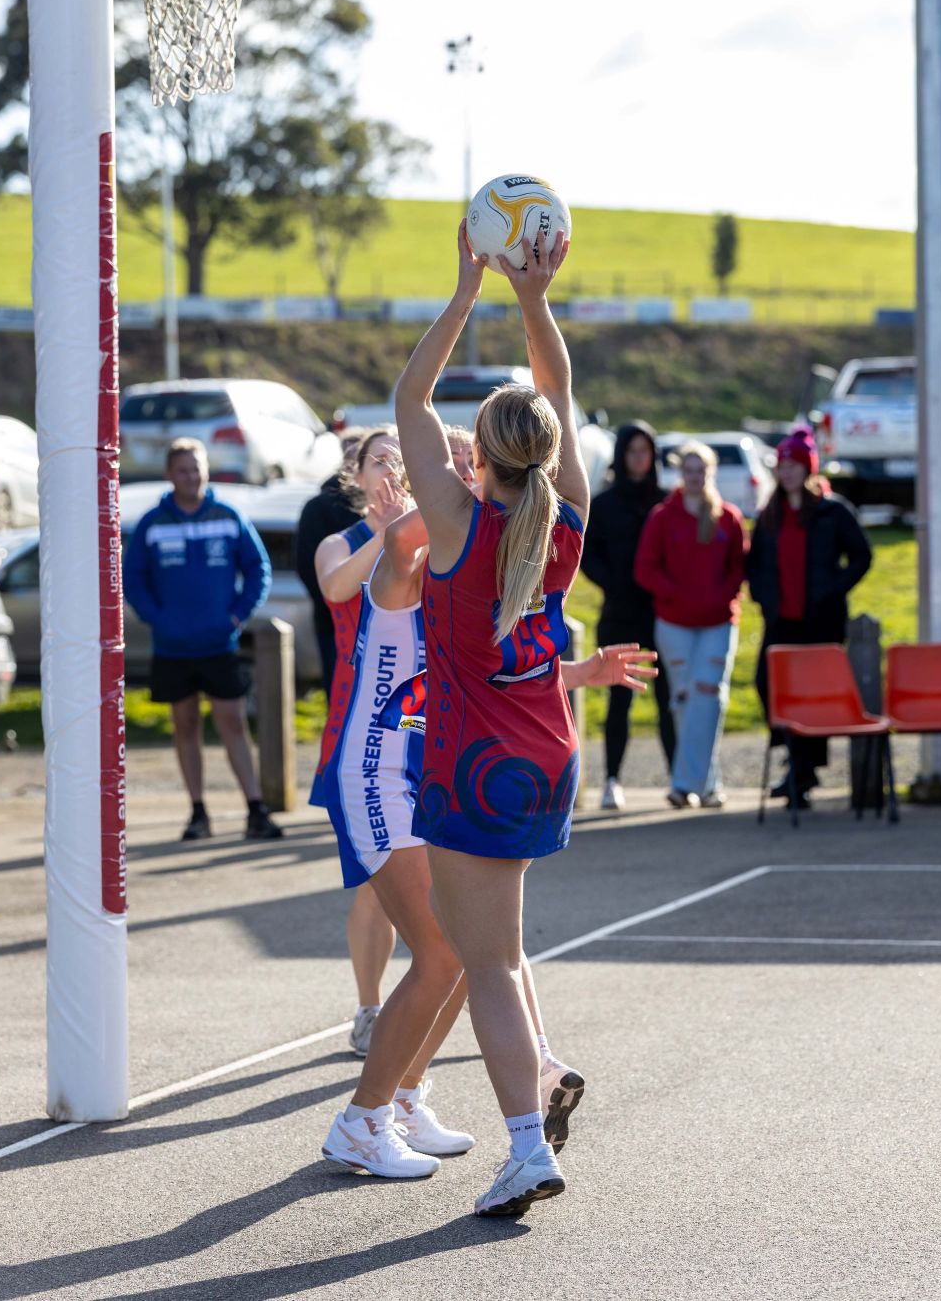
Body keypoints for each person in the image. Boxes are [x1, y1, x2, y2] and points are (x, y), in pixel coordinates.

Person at [319, 484, 655, 1187]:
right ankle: (361, 1122)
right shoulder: (400, 569)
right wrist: (453, 493)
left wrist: (585, 673)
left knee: (470, 951)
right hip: (377, 774)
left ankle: (403, 1098)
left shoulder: (464, 578)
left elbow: (504, 672)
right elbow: (406, 537)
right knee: (442, 952)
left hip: (425, 774)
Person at [392, 219, 589, 1220]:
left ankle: (524, 1147)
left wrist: (467, 289)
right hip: (546, 759)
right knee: (500, 953)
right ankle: (539, 1085)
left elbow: (409, 400)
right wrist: (532, 299)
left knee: (491, 967)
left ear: (481, 459)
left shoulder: (459, 526)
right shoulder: (564, 522)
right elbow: (556, 393)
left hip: (473, 765)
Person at [123, 437, 281, 841]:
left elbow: (258, 568)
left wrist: (237, 614)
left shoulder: (228, 515)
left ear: (206, 470)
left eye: (196, 469)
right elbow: (133, 578)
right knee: (185, 725)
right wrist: (158, 618)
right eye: (182, 470)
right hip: (172, 647)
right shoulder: (153, 523)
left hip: (219, 643)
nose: (191, 477)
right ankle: (197, 812)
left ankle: (255, 809)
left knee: (232, 722)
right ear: (169, 474)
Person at [311, 427, 407, 1059]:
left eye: (401, 459)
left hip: (417, 730)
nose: (391, 469)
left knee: (437, 880)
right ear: (358, 473)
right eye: (379, 460)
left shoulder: (430, 538)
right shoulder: (340, 542)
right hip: (356, 736)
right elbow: (336, 587)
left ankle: (449, 995)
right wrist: (389, 534)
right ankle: (370, 1010)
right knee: (375, 883)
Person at [746, 429, 872, 808]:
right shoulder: (770, 513)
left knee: (814, 695)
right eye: (781, 466)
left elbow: (862, 556)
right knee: (767, 683)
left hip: (820, 620)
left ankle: (803, 771)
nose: (786, 472)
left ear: (807, 469)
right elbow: (755, 563)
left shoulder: (832, 511)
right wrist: (762, 596)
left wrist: (833, 589)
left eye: (793, 465)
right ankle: (796, 759)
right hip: (781, 620)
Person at [634, 440, 746, 809]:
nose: (695, 477)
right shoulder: (663, 517)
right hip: (675, 624)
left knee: (709, 696)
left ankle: (684, 784)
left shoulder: (728, 517)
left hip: (718, 623)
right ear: (681, 473)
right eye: (689, 470)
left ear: (710, 473)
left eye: (702, 470)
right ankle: (708, 786)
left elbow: (738, 568)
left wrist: (719, 597)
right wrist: (676, 594)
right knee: (684, 700)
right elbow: (645, 568)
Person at [581, 420, 676, 809]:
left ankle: (680, 779)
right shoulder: (604, 504)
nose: (639, 458)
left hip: (662, 612)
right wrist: (613, 583)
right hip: (620, 613)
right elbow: (587, 554)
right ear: (621, 455)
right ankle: (612, 780)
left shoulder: (667, 502)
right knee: (619, 699)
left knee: (668, 698)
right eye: (632, 451)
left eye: (645, 451)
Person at [296, 426, 366, 694]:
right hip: (333, 622)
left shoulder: (392, 508)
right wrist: (335, 599)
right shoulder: (319, 507)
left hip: (384, 622)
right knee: (341, 693)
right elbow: (306, 565)